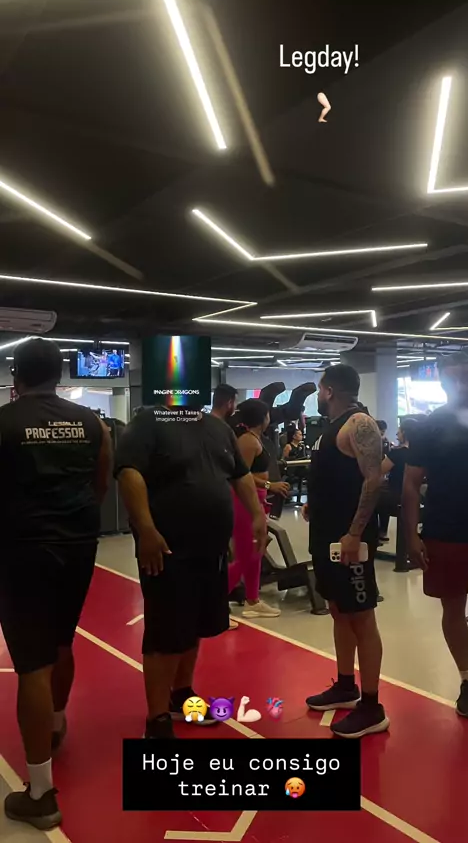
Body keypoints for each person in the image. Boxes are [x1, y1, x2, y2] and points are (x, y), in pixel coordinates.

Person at [0, 338, 112, 829]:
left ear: (16, 376)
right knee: (62, 640)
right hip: (77, 545)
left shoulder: (4, 422)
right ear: (60, 375)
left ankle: (41, 793)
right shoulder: (91, 423)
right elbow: (101, 483)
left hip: (22, 550)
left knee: (32, 664)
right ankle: (57, 720)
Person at [115, 404, 267, 739]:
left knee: (194, 625)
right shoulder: (149, 422)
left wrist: (257, 513)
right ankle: (157, 720)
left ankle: (181, 695)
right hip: (168, 549)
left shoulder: (218, 428)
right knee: (165, 632)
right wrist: (146, 529)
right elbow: (128, 474)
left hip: (210, 549)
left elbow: (240, 473)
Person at [302, 365, 388, 738]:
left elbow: (374, 479)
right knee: (339, 611)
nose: (318, 396)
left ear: (329, 390)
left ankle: (372, 706)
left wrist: (355, 533)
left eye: (320, 389)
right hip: (326, 537)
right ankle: (345, 686)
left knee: (361, 617)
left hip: (349, 541)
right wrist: (317, 502)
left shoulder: (359, 423)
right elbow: (338, 476)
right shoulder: (332, 427)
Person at [403, 352, 468, 718]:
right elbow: (410, 482)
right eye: (450, 380)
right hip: (445, 531)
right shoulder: (431, 425)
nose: (458, 385)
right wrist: (411, 535)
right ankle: (467, 681)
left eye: (464, 377)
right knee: (452, 607)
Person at [228, 399, 289, 620]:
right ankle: (211, 600)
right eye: (268, 414)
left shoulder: (255, 438)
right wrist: (269, 485)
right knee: (247, 555)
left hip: (256, 500)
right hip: (245, 502)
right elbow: (240, 476)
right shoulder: (247, 441)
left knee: (256, 552)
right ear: (263, 417)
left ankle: (252, 601)